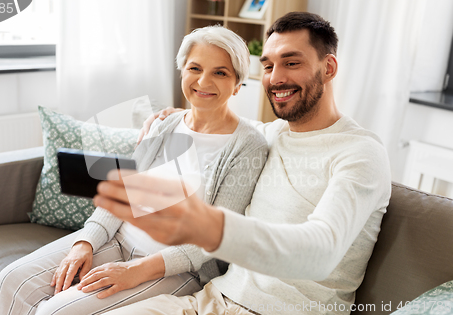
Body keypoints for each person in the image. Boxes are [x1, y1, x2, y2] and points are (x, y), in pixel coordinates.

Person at [93, 12, 392, 315]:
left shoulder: (361, 154)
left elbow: (321, 252)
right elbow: (216, 119)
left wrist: (210, 226)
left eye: (292, 63)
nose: (275, 78)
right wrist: (174, 116)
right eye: (268, 65)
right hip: (214, 299)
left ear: (328, 68)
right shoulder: (270, 135)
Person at [0, 25, 268, 315]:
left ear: (238, 83)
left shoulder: (248, 145)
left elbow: (212, 240)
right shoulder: (165, 124)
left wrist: (133, 271)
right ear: (182, 71)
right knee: (11, 281)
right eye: (194, 68)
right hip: (118, 238)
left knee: (53, 312)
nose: (203, 80)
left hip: (177, 268)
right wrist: (85, 241)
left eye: (220, 72)